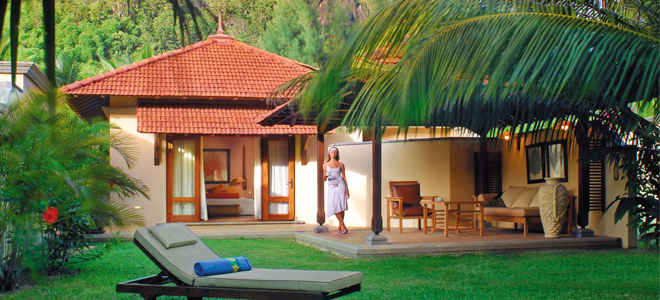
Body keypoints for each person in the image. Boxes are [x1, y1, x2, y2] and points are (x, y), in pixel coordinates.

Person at [323, 147, 350, 234]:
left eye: (335, 152)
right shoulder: (325, 164)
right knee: (334, 205)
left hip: (341, 185)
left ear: (337, 154)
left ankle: (340, 226)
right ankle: (343, 225)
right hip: (331, 186)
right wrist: (324, 177)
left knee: (341, 206)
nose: (333, 153)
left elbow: (344, 177)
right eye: (332, 152)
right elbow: (324, 178)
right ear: (329, 153)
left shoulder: (341, 164)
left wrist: (347, 190)